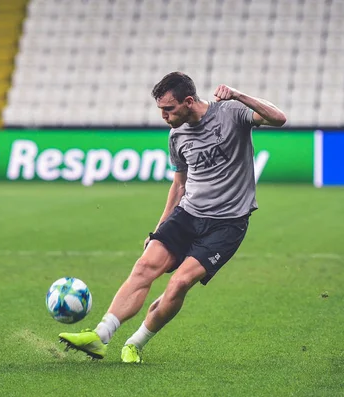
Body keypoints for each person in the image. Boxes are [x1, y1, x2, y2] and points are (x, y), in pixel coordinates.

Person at [59, 71, 287, 363]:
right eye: (160, 110)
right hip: (188, 214)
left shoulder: (231, 113)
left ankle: (136, 342)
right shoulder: (176, 135)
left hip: (227, 224)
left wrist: (239, 95)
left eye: (169, 109)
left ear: (188, 101)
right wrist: (158, 230)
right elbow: (179, 184)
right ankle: (100, 337)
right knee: (144, 267)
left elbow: (279, 118)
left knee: (179, 283)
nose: (164, 116)